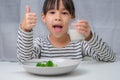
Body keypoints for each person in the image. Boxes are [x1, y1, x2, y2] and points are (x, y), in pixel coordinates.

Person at [17, 0, 116, 63]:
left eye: (64, 13)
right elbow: (23, 60)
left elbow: (110, 57)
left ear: (72, 17)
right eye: (52, 12)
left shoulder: (80, 44)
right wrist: (25, 30)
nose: (58, 18)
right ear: (43, 18)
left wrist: (90, 37)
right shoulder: (40, 44)